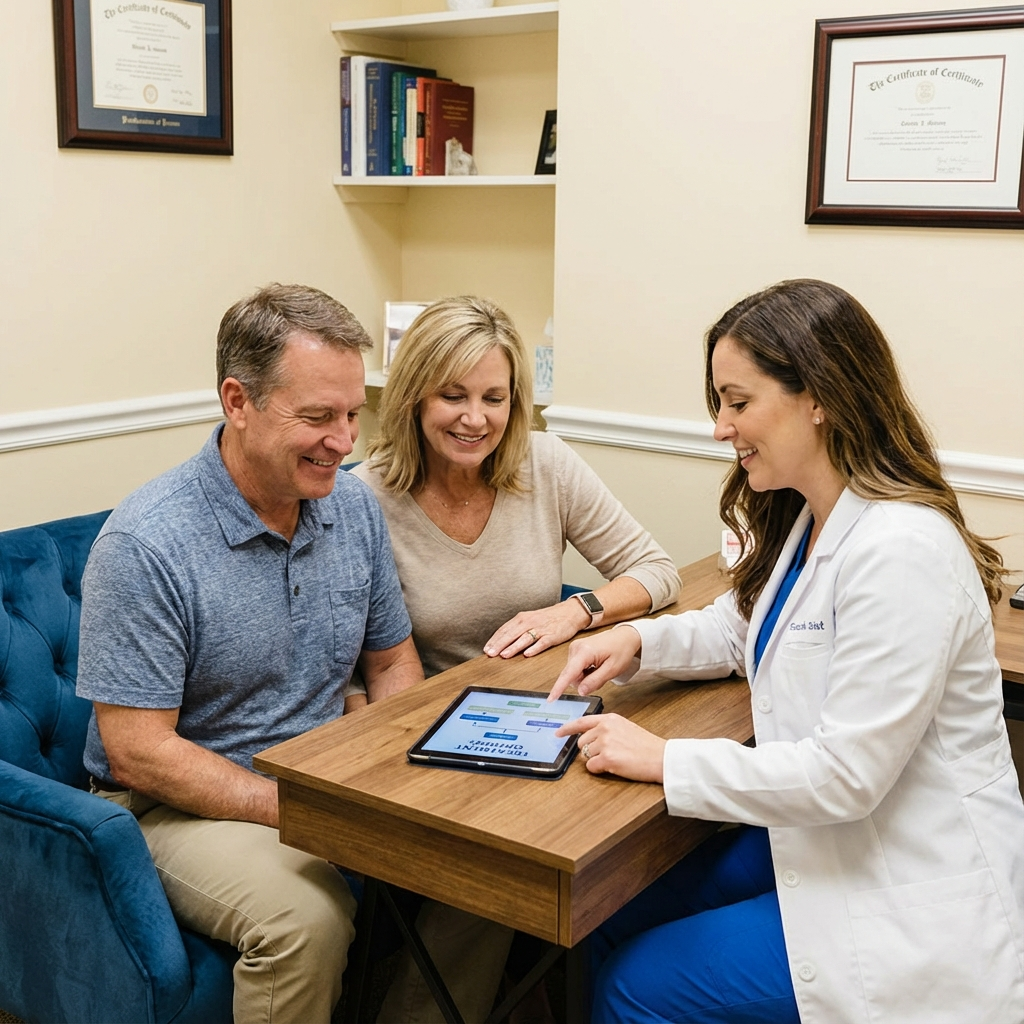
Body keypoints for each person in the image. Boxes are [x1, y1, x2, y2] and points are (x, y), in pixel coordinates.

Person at [550, 279, 1024, 1024]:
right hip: (833, 839)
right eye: (718, 404)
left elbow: (845, 777)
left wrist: (661, 758)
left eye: (738, 403)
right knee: (607, 906)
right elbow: (748, 630)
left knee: (632, 989)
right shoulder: (816, 520)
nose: (719, 428)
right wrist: (635, 638)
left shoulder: (902, 550)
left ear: (820, 397)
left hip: (904, 889)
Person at [76, 284, 424, 1024]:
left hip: (319, 770)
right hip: (170, 807)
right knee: (306, 921)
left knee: (487, 864)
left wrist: (400, 774)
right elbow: (137, 752)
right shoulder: (147, 544)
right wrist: (296, 808)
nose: (346, 441)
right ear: (238, 401)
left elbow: (391, 663)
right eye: (319, 417)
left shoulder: (351, 503)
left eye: (355, 414)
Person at [350, 295, 681, 1021]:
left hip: (549, 710)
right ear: (412, 397)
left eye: (495, 397)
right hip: (434, 735)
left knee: (640, 824)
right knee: (513, 862)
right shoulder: (362, 498)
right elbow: (348, 663)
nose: (477, 418)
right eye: (454, 395)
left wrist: (577, 608)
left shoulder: (545, 463)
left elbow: (656, 571)